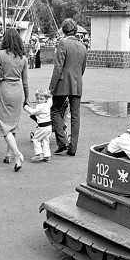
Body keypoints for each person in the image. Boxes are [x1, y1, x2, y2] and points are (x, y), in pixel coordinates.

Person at [0, 28, 29, 172]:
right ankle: (8, 154)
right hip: (18, 91)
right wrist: (27, 98)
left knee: (4, 124)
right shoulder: (23, 58)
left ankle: (17, 154)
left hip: (5, 89)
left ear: (4, 40)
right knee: (13, 123)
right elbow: (25, 82)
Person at [49, 18, 87, 156]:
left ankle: (62, 140)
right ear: (75, 30)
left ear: (64, 30)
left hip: (63, 82)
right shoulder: (83, 47)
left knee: (55, 110)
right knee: (75, 115)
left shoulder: (63, 43)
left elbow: (58, 66)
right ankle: (73, 148)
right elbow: (82, 68)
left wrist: (52, 86)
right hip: (77, 84)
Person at [24, 89, 52, 163]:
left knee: (36, 139)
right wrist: (49, 96)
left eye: (41, 99)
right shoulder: (48, 104)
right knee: (46, 140)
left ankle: (39, 154)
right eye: (37, 99)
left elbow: (33, 112)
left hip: (42, 126)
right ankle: (47, 155)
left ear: (45, 99)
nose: (39, 100)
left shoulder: (40, 107)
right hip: (49, 126)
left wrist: (26, 107)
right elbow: (50, 100)